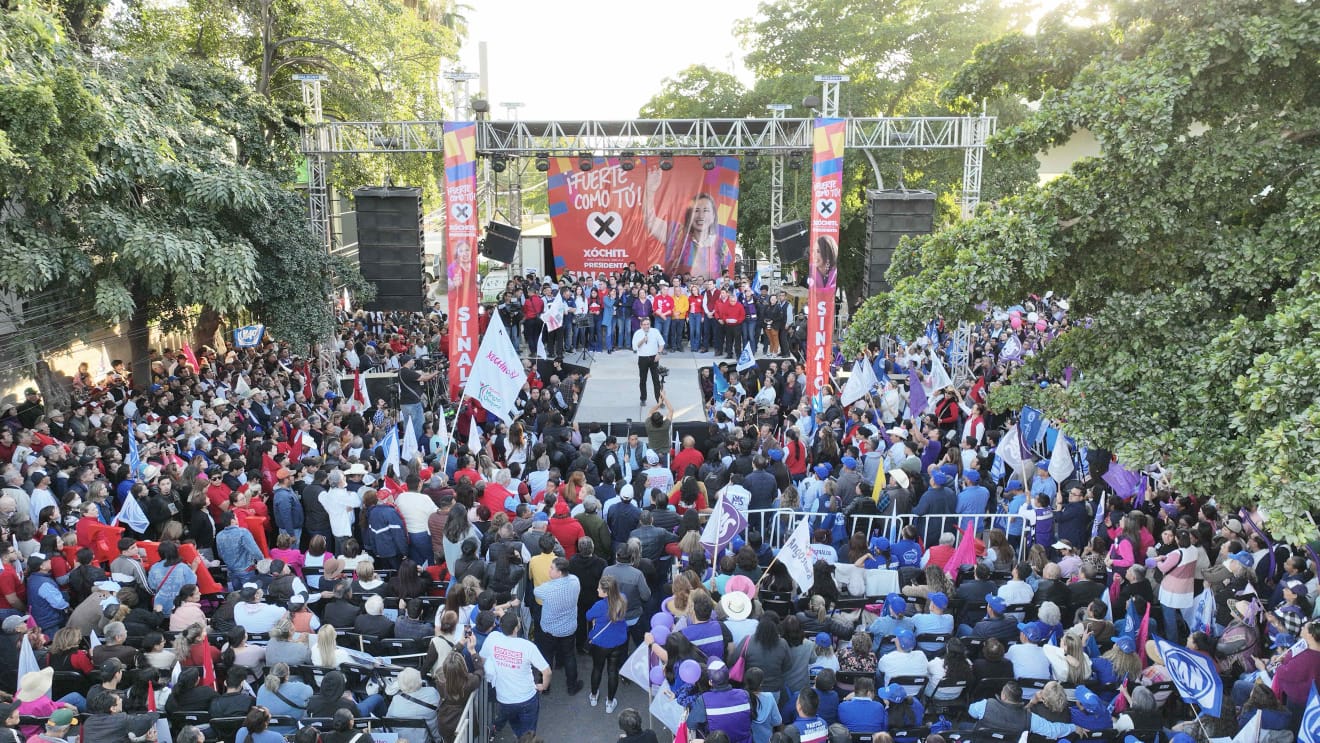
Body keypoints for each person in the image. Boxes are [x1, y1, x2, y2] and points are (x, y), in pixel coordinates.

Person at [481, 611, 551, 738]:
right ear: (516, 629)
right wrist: (544, 686)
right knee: (529, 734)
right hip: (527, 698)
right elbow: (547, 671)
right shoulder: (527, 646)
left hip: (505, 699)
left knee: (517, 728)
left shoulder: (492, 638)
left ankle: (519, 737)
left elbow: (482, 660)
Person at [585, 575, 628, 712]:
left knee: (597, 668)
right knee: (613, 670)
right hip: (618, 641)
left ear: (606, 592)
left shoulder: (599, 605)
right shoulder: (623, 599)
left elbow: (588, 616)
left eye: (600, 588)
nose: (597, 589)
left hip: (600, 643)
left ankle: (593, 696)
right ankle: (610, 702)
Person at [385, 667, 441, 743]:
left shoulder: (396, 700)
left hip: (403, 740)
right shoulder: (432, 692)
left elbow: (388, 722)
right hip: (427, 739)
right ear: (419, 679)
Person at [397, 355, 439, 444]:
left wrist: (429, 373)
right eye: (412, 360)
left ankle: (409, 444)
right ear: (408, 361)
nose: (414, 362)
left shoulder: (401, 372)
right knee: (418, 426)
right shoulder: (408, 372)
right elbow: (425, 378)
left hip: (404, 404)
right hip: (413, 404)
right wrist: (435, 372)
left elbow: (421, 375)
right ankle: (419, 445)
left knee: (408, 426)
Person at [632, 317, 666, 404]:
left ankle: (659, 401)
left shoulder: (655, 331)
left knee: (656, 380)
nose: (646, 326)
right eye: (644, 324)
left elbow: (662, 343)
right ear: (641, 325)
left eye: (648, 324)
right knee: (643, 380)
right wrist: (643, 340)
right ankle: (643, 399)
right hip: (642, 358)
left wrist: (659, 353)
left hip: (654, 358)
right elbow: (635, 347)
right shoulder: (637, 333)